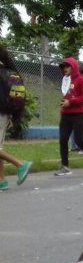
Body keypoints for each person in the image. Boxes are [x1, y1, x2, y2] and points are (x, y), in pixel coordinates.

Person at [55, 57, 83, 176]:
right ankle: (65, 166)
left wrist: (71, 102)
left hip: (79, 114)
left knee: (79, 141)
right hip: (66, 114)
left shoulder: (81, 80)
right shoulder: (65, 80)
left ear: (73, 67)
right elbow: (68, 95)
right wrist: (63, 104)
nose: (65, 69)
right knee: (63, 140)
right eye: (63, 67)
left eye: (67, 66)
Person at [0, 48, 32, 189]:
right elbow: (18, 100)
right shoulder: (13, 75)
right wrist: (12, 118)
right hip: (6, 115)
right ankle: (2, 180)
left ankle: (20, 164)